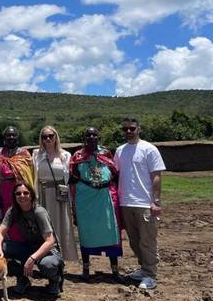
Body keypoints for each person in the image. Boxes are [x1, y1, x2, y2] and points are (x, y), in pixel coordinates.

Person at [114, 117, 166, 290]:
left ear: (139, 129)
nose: (128, 131)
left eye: (132, 128)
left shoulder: (149, 149)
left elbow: (156, 176)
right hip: (126, 202)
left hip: (145, 203)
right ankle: (144, 268)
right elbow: (116, 174)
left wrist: (156, 201)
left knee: (147, 241)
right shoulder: (120, 151)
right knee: (134, 241)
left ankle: (150, 275)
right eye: (125, 129)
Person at [0, 181, 64, 297]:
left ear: (31, 195)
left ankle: (55, 280)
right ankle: (23, 278)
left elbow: (50, 241)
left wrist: (32, 258)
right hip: (28, 247)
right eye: (18, 193)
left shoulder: (39, 212)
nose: (22, 196)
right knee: (1, 248)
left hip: (47, 251)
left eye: (25, 193)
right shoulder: (13, 211)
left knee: (47, 264)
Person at [69, 127, 122, 281]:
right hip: (85, 201)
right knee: (86, 234)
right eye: (88, 135)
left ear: (99, 137)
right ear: (83, 138)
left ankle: (115, 271)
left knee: (110, 231)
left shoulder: (106, 153)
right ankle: (86, 269)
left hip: (104, 198)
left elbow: (114, 173)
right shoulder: (77, 156)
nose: (91, 137)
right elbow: (72, 178)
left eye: (94, 135)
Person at [32, 126, 78, 262]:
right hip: (42, 194)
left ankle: (61, 256)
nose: (48, 139)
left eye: (50, 136)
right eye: (44, 137)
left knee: (61, 225)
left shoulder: (65, 155)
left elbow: (70, 177)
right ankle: (45, 257)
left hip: (59, 197)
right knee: (44, 226)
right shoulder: (36, 154)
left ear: (56, 137)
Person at [0, 126, 35, 242]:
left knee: (22, 216)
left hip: (20, 192)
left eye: (13, 135)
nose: (11, 137)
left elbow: (30, 173)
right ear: (4, 138)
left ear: (17, 137)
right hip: (4, 191)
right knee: (7, 218)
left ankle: (24, 246)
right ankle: (8, 247)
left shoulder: (24, 154)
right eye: (8, 135)